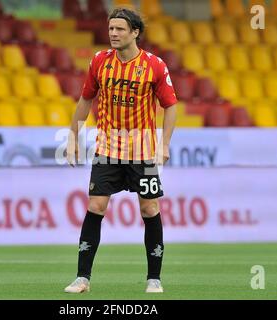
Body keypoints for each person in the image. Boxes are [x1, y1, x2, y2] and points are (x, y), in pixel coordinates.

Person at [64, 7, 177, 294]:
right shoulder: (100, 61)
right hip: (108, 147)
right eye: (111, 28)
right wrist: (73, 137)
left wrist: (164, 144)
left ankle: (154, 279)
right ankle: (82, 278)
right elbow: (85, 99)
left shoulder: (154, 65)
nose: (113, 33)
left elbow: (170, 106)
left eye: (119, 29)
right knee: (95, 207)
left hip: (143, 150)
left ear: (135, 32)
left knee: (149, 208)